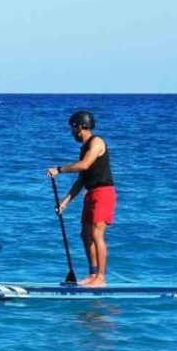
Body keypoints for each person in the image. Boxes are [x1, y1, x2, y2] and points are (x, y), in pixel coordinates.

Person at [47, 110, 115, 287]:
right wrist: (64, 202)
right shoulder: (84, 148)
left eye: (72, 128)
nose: (71, 133)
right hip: (90, 193)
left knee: (96, 233)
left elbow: (84, 165)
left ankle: (101, 278)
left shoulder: (97, 142)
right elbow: (81, 181)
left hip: (104, 193)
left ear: (79, 127)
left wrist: (59, 169)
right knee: (85, 235)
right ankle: (93, 274)